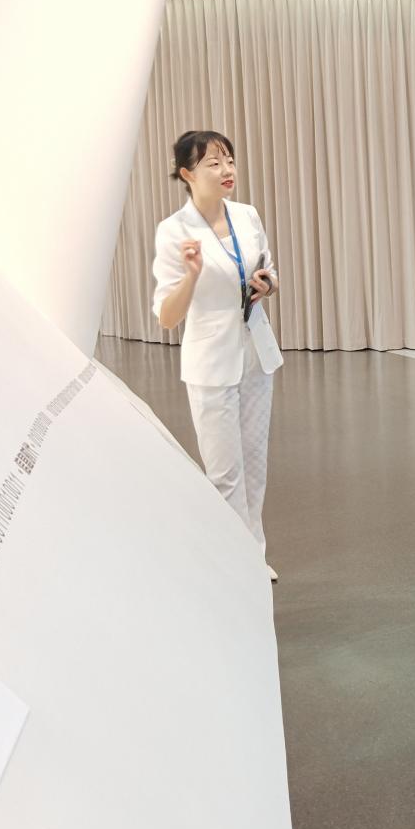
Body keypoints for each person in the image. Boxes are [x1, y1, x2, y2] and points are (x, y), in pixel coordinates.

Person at [152, 130, 283, 581]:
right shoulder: (174, 231)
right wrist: (191, 275)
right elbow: (167, 316)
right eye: (213, 163)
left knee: (255, 465)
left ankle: (253, 555)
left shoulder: (247, 215)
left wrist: (268, 284)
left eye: (229, 160)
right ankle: (234, 566)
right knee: (225, 473)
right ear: (187, 174)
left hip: (255, 353)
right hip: (211, 362)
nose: (227, 170)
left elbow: (268, 268)